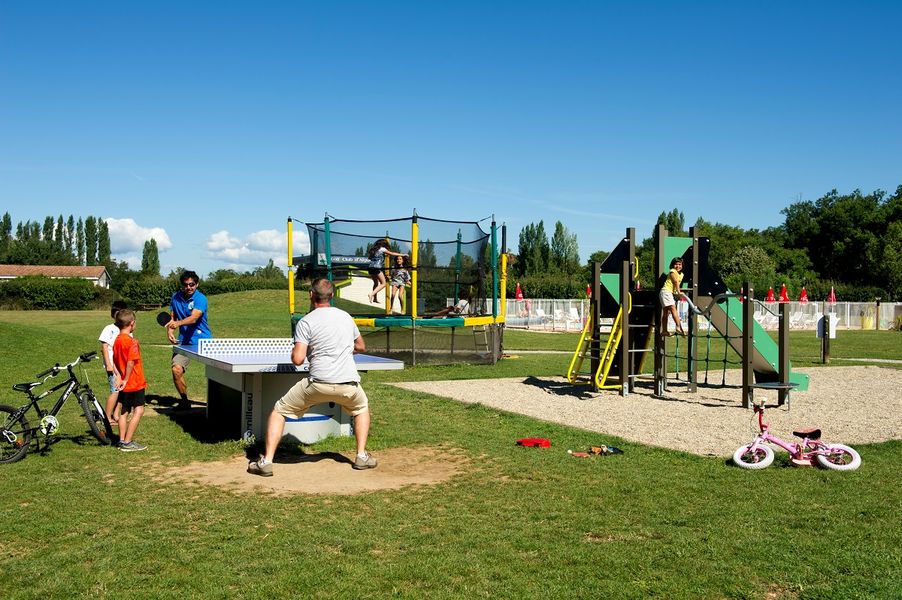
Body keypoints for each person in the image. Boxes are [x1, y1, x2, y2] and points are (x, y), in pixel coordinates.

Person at [248, 278, 377, 477]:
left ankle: (266, 461)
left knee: (279, 410)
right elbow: (360, 346)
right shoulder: (345, 317)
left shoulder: (306, 321)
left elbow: (298, 359)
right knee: (361, 408)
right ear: (332, 296)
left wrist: (296, 352)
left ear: (311, 295)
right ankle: (361, 456)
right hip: (349, 384)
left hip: (318, 384)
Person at [166, 270, 212, 410]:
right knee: (176, 370)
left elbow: (194, 318)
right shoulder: (175, 298)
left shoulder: (201, 299)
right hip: (184, 342)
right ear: (182, 285)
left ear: (197, 284)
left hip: (204, 342)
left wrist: (178, 324)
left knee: (219, 374)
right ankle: (185, 402)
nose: (189, 287)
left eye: (192, 284)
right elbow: (172, 318)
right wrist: (170, 331)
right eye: (186, 285)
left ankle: (219, 402)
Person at [112, 309, 148, 451]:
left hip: (124, 384)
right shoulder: (132, 342)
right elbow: (131, 362)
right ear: (132, 323)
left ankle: (121, 440)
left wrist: (119, 376)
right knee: (139, 410)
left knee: (124, 410)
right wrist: (126, 378)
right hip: (134, 382)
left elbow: (113, 361)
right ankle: (127, 442)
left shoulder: (117, 340)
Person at [99, 300, 128, 427]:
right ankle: (107, 416)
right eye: (116, 313)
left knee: (122, 391)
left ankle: (116, 414)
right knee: (115, 391)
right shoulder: (109, 329)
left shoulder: (127, 329)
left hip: (123, 366)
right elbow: (104, 347)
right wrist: (109, 365)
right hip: (112, 366)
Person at [366, 239, 408, 304]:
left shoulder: (373, 250)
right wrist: (403, 255)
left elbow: (370, 258)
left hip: (370, 267)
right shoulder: (382, 249)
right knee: (383, 284)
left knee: (376, 283)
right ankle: (371, 294)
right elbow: (392, 253)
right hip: (376, 268)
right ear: (384, 245)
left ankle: (375, 298)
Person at [660, 257, 686, 336]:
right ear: (672, 265)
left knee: (665, 312)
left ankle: (664, 330)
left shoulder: (681, 274)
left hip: (668, 293)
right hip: (666, 292)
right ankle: (678, 327)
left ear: (682, 265)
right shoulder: (672, 271)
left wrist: (677, 291)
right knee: (673, 308)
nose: (678, 266)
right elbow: (675, 282)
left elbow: (676, 284)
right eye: (676, 264)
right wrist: (678, 292)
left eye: (680, 264)